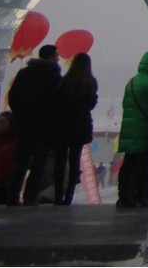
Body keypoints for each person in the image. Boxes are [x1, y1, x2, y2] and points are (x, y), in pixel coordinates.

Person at [7, 43, 59, 205]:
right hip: (44, 127)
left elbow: (12, 97)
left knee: (21, 162)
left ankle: (12, 196)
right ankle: (29, 197)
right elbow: (58, 104)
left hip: (23, 125)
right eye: (57, 56)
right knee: (39, 164)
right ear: (51, 57)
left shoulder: (24, 73)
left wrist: (20, 115)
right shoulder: (54, 77)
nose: (58, 59)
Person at [117, 50, 148, 210]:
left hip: (129, 129)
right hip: (144, 129)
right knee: (143, 165)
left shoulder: (132, 82)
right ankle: (138, 195)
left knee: (128, 163)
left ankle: (123, 195)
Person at [52, 52, 98, 205]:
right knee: (74, 161)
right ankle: (69, 196)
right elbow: (90, 105)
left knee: (60, 161)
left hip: (62, 125)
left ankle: (58, 195)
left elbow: (57, 103)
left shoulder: (64, 81)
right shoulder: (90, 82)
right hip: (80, 126)